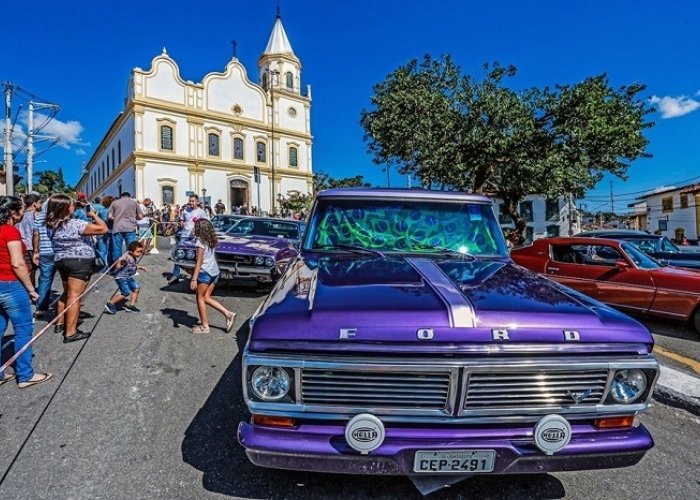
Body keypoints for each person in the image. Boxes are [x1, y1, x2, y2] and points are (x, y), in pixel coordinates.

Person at [0, 196, 52, 389]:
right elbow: (17, 263)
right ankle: (25, 374)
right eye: (21, 209)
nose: (24, 212)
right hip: (10, 284)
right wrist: (31, 289)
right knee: (23, 328)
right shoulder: (10, 231)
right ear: (13, 213)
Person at [46, 194, 108, 342]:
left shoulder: (51, 225)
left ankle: (60, 322)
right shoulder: (76, 224)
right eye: (71, 204)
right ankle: (70, 332)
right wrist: (94, 215)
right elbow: (103, 228)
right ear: (65, 208)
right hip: (79, 261)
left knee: (66, 293)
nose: (74, 206)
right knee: (75, 296)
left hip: (61, 260)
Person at [189, 219, 235, 334]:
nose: (194, 228)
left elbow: (199, 261)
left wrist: (194, 278)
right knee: (206, 297)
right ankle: (228, 314)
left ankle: (205, 326)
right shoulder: (212, 239)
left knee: (200, 298)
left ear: (199, 229)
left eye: (196, 226)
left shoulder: (200, 242)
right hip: (214, 271)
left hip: (205, 272)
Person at [167, 194, 208, 285]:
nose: (191, 203)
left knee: (195, 256)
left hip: (196, 238)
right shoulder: (185, 211)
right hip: (185, 236)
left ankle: (196, 275)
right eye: (190, 201)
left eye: (193, 201)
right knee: (179, 255)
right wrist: (182, 223)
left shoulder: (201, 212)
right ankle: (176, 275)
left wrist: (198, 229)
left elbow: (206, 224)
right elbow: (182, 219)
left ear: (197, 202)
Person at [104, 241, 146, 314]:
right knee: (125, 293)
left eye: (141, 251)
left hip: (128, 276)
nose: (140, 253)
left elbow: (132, 265)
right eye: (138, 252)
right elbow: (117, 268)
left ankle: (131, 306)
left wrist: (139, 267)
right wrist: (119, 261)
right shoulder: (126, 257)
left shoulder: (133, 256)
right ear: (131, 251)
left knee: (136, 289)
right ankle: (110, 303)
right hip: (121, 277)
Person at [108, 192, 143, 264]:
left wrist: (116, 218)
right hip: (130, 227)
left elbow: (109, 216)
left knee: (117, 250)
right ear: (129, 196)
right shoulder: (134, 202)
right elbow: (140, 216)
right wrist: (134, 217)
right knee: (132, 248)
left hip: (117, 228)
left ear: (121, 196)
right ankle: (130, 264)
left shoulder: (114, 202)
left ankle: (118, 266)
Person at [19, 193, 41, 285]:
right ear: (34, 204)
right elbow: (37, 233)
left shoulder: (21, 215)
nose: (40, 205)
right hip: (33, 245)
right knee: (35, 269)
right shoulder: (36, 214)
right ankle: (33, 289)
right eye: (39, 202)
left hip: (22, 245)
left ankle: (28, 289)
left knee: (28, 269)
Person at [92, 197, 110, 272]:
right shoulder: (111, 211)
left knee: (102, 250)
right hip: (109, 231)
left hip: (100, 232)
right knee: (109, 250)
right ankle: (109, 265)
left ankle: (102, 267)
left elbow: (95, 220)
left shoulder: (100, 211)